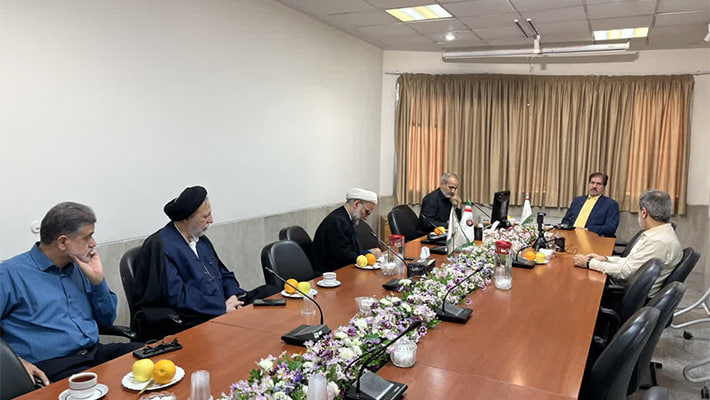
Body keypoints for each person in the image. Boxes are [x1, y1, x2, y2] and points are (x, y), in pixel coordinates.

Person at [0, 202, 143, 383]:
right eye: (87, 237)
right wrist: (17, 363)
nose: (93, 243)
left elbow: (107, 320)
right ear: (62, 242)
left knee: (152, 355)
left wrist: (98, 281)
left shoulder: (79, 266)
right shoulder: (9, 275)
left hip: (94, 353)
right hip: (53, 365)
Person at [134, 186, 247, 335]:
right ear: (186, 218)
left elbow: (223, 274)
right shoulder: (161, 245)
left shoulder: (201, 240)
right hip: (190, 318)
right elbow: (177, 296)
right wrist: (221, 307)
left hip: (220, 308)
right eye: (205, 217)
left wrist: (233, 296)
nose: (211, 220)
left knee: (266, 294)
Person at [573, 190, 682, 297]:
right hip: (630, 287)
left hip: (629, 295)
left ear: (644, 213)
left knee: (579, 286)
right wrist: (605, 259)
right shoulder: (659, 234)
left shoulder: (658, 242)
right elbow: (631, 262)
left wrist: (589, 263)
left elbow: (625, 272)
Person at [311, 188, 383, 274]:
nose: (366, 218)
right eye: (367, 212)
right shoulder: (336, 222)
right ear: (356, 204)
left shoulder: (346, 218)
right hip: (328, 275)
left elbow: (352, 251)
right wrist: (369, 253)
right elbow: (344, 257)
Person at [561, 172, 619, 237]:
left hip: (593, 238)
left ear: (604, 187)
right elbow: (566, 220)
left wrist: (587, 229)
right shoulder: (577, 201)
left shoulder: (611, 204)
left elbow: (610, 228)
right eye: (592, 183)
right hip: (571, 236)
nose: (594, 186)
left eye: (599, 184)